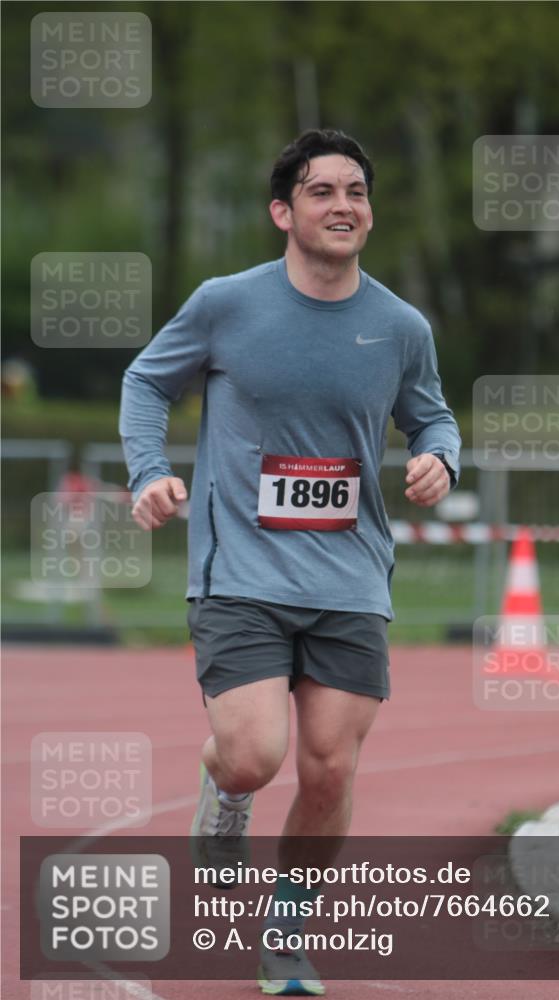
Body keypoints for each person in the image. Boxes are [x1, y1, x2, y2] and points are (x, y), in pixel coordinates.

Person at [120, 128, 460, 996]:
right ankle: (224, 794)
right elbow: (146, 382)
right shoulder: (225, 304)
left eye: (356, 191)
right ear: (283, 211)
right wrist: (150, 472)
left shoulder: (400, 326)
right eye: (321, 191)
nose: (343, 205)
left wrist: (439, 458)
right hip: (240, 572)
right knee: (252, 755)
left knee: (330, 767)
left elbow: (431, 416)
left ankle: (286, 931)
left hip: (349, 575)